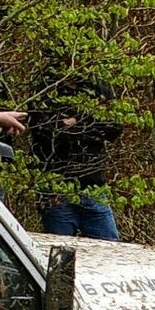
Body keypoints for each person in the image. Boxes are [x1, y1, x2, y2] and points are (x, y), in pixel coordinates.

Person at [30, 76, 122, 240]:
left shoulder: (99, 84)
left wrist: (75, 121)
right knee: (59, 249)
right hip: (55, 188)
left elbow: (114, 127)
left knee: (110, 246)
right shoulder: (46, 86)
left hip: (94, 188)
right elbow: (43, 130)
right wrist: (91, 119)